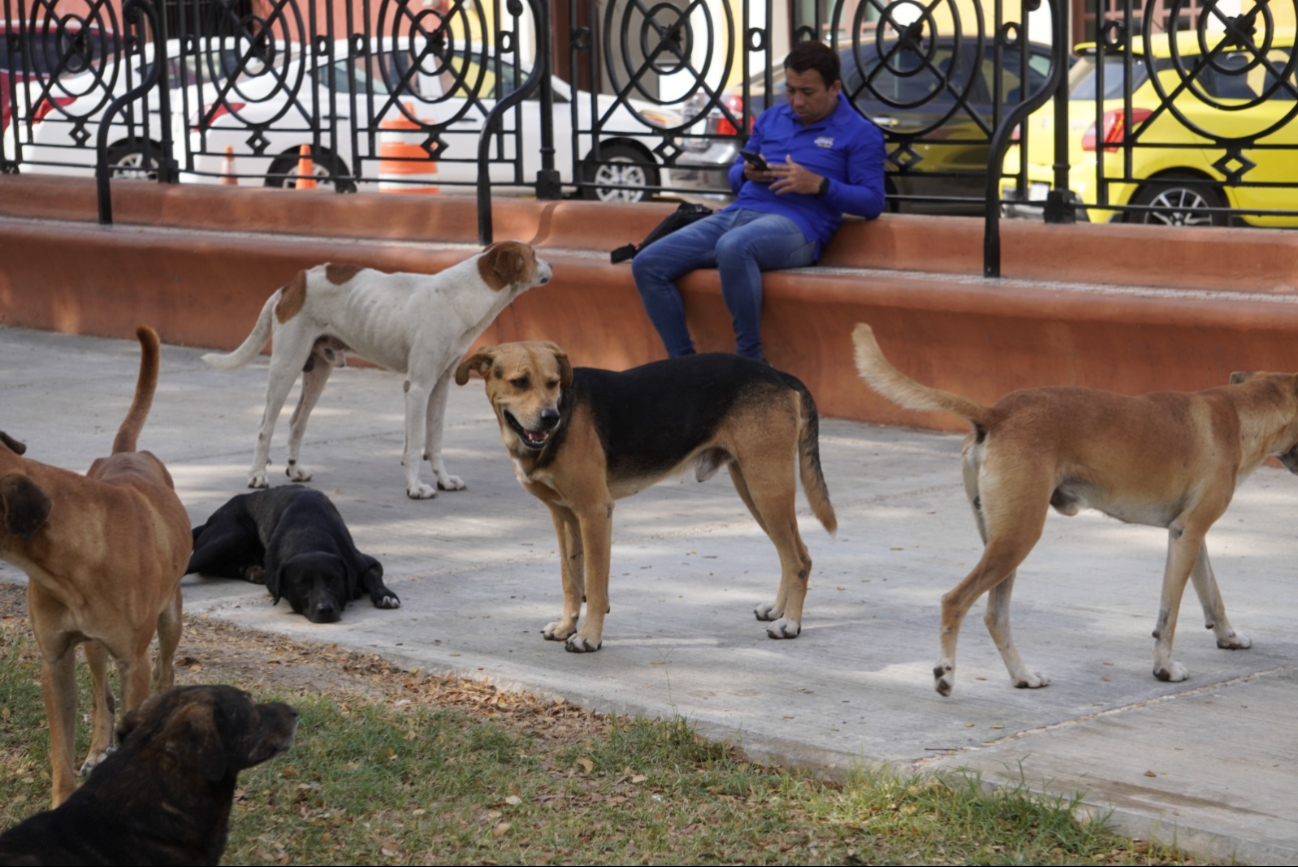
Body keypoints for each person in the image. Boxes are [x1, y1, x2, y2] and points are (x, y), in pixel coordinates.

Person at [632, 40, 887, 361]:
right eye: (791, 90)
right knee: (648, 263)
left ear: (834, 87)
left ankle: (750, 360)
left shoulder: (860, 133)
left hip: (798, 227)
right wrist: (748, 173)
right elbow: (735, 177)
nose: (796, 101)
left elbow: (873, 202)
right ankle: (684, 365)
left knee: (735, 247)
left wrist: (820, 185)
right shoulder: (771, 119)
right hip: (738, 213)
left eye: (807, 92)